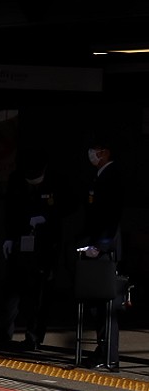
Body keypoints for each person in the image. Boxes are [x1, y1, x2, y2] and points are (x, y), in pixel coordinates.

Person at [0, 150, 57, 351]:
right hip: (20, 239)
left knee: (39, 292)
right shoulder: (16, 181)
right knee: (12, 287)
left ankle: (33, 335)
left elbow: (66, 206)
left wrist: (46, 218)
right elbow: (10, 210)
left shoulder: (54, 182)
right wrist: (9, 237)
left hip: (44, 244)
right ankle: (3, 330)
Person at [78, 138, 125, 369]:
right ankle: (103, 351)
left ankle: (109, 356)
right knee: (97, 304)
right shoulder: (101, 177)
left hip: (104, 250)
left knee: (105, 305)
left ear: (105, 152)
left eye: (95, 150)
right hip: (96, 247)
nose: (91, 154)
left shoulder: (112, 176)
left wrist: (100, 246)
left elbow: (111, 217)